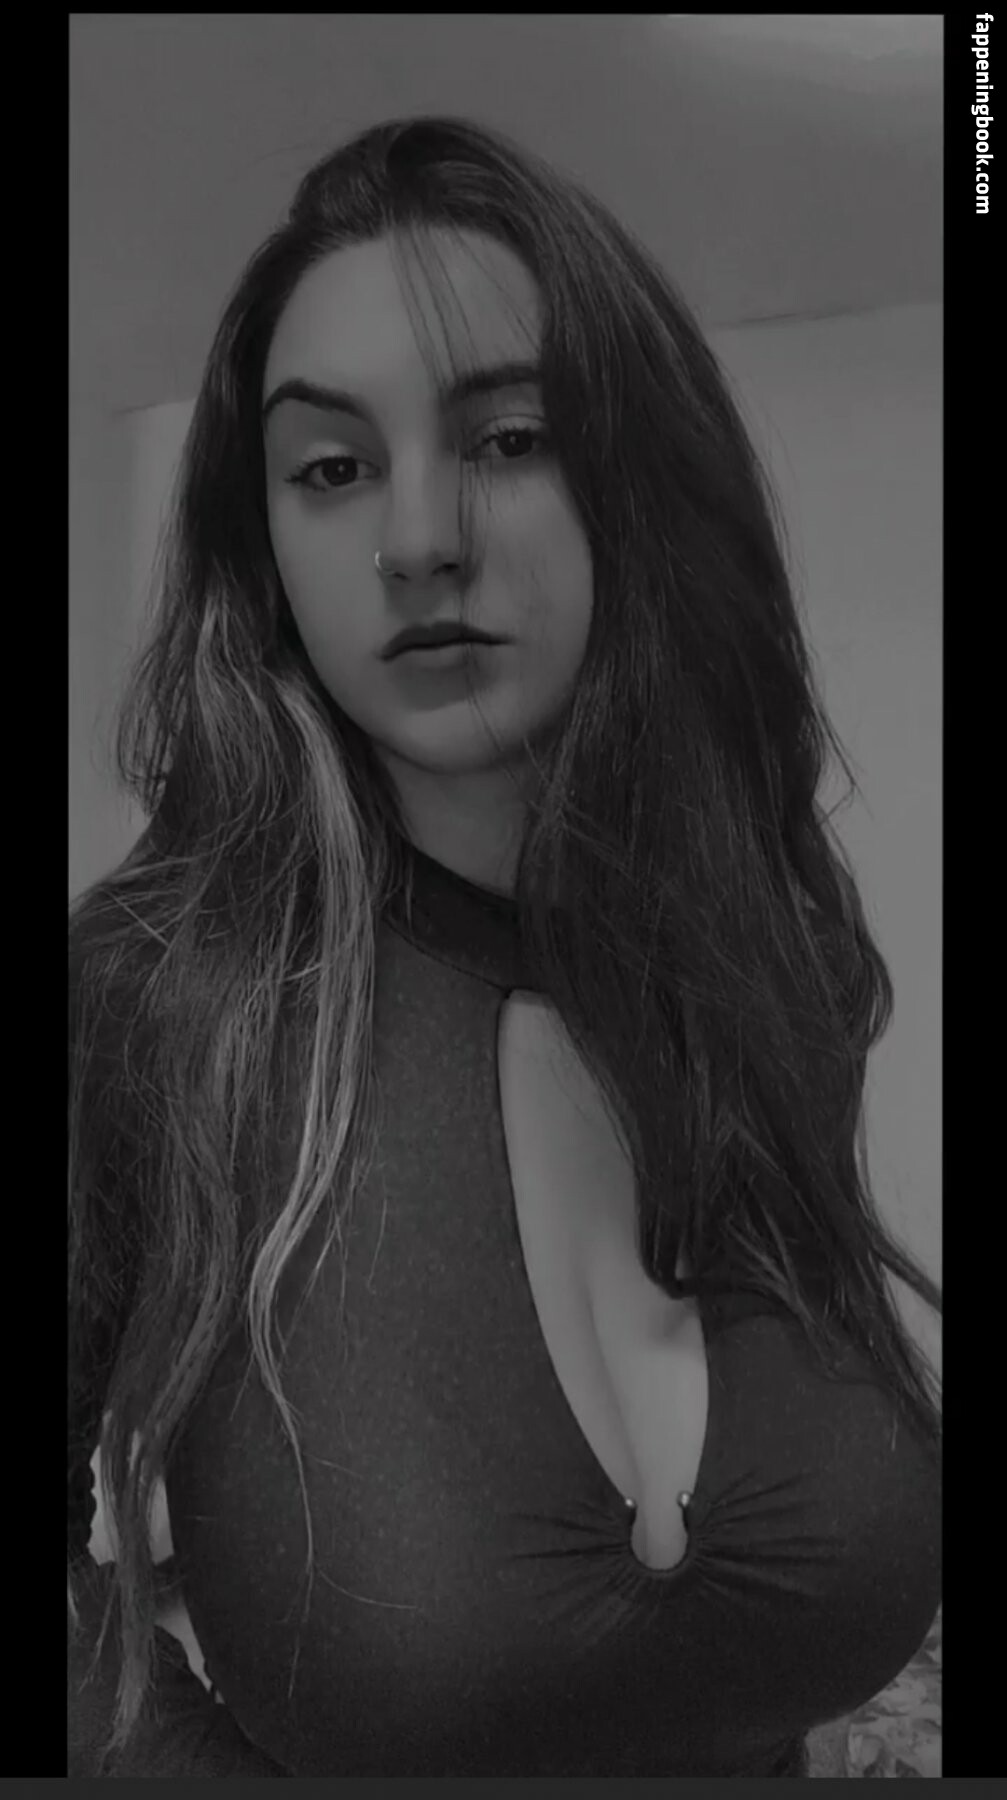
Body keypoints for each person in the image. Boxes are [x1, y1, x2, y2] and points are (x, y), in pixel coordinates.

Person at [68, 113, 941, 1778]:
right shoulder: (162, 1000)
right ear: (268, 551)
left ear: (638, 482)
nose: (419, 539)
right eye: (332, 469)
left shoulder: (772, 964)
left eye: (509, 436)